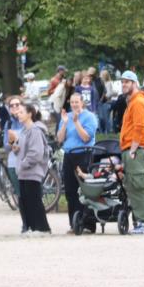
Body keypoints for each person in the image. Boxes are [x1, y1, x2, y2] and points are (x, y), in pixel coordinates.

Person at [56, 93, 98, 234]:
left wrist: (76, 122)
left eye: (76, 102)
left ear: (82, 103)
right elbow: (60, 139)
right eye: (72, 102)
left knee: (84, 190)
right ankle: (74, 224)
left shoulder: (90, 117)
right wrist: (65, 123)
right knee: (70, 190)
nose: (74, 105)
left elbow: (86, 138)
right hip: (69, 155)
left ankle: (88, 224)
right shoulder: (66, 117)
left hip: (84, 154)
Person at [119, 71, 144, 234]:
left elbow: (139, 128)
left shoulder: (138, 102)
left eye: (127, 82)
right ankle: (140, 223)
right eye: (122, 82)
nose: (124, 84)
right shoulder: (133, 101)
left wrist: (132, 150)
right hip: (133, 150)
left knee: (139, 186)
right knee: (133, 186)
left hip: (137, 151)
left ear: (134, 83)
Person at [12, 100, 51, 235]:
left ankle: (42, 228)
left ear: (29, 114)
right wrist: (16, 148)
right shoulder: (24, 131)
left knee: (34, 200)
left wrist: (23, 164)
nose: (18, 114)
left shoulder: (34, 131)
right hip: (23, 172)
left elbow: (36, 153)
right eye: (18, 112)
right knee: (25, 201)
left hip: (32, 172)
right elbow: (22, 150)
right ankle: (31, 227)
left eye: (21, 112)